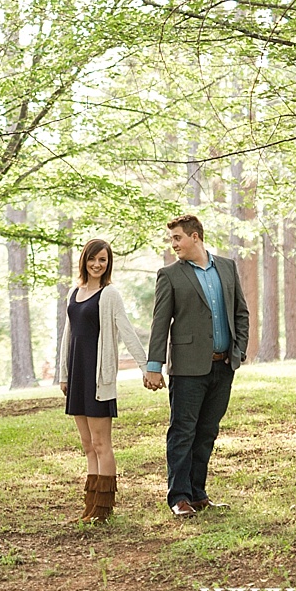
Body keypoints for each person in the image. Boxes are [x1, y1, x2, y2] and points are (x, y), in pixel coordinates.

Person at [144, 213, 251, 517]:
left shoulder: (227, 268)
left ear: (195, 237)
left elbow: (241, 313)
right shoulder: (170, 275)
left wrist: (238, 351)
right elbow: (160, 322)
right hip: (188, 368)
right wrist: (155, 365)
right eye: (172, 239)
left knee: (207, 431)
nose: (173, 244)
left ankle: (198, 493)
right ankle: (179, 497)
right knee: (183, 432)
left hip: (223, 366)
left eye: (177, 237)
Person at [57, 238, 150, 522]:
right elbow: (67, 335)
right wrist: (63, 374)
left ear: (108, 264)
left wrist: (146, 366)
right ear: (84, 260)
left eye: (103, 260)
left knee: (101, 444)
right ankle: (90, 505)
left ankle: (103, 508)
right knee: (87, 445)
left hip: (98, 376)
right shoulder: (74, 292)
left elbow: (126, 329)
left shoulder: (110, 294)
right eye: (93, 259)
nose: (98, 264)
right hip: (77, 374)